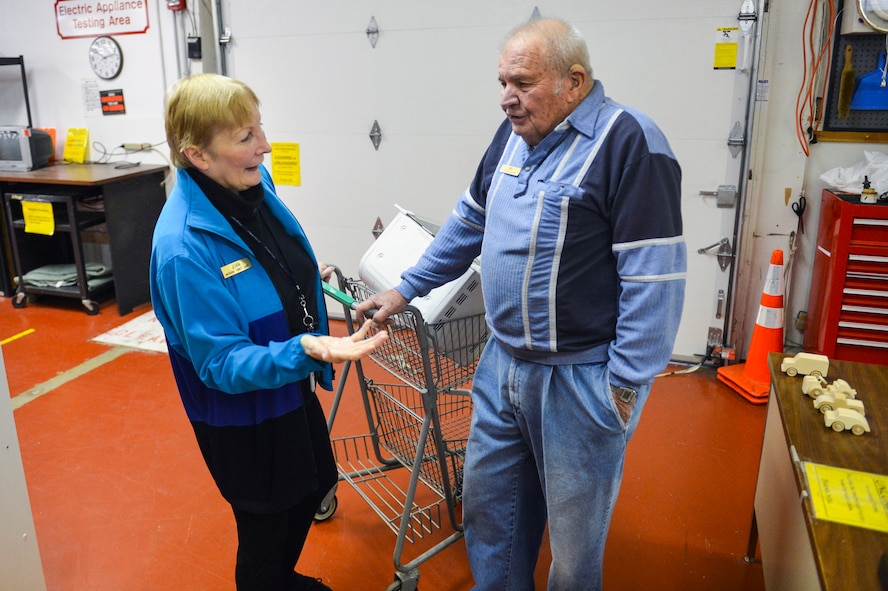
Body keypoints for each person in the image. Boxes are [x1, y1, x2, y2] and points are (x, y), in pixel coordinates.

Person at [357, 18, 686, 591]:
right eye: (503, 82)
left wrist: (624, 387)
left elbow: (654, 278)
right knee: (494, 511)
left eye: (524, 82)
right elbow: (469, 221)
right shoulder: (511, 135)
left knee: (574, 541)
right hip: (502, 364)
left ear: (574, 81)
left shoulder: (630, 144)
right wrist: (407, 286)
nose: (508, 97)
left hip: (579, 379)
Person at [150, 73, 387, 591]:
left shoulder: (250, 187)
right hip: (241, 415)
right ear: (198, 156)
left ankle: (283, 578)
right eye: (244, 137)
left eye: (260, 128)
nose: (265, 145)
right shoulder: (183, 247)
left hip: (285, 388)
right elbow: (220, 363)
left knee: (313, 486)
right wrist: (308, 347)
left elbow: (266, 255)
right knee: (266, 519)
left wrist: (299, 277)